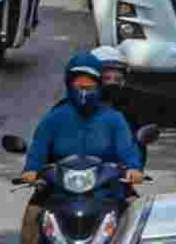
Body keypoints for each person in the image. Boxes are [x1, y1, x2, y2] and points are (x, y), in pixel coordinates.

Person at [17, 52, 144, 244]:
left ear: (99, 85)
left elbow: (127, 149)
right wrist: (31, 169)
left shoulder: (114, 119)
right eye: (79, 84)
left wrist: (134, 168)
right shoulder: (54, 118)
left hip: (107, 189)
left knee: (137, 215)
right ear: (69, 84)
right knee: (32, 216)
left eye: (90, 84)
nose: (85, 89)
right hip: (59, 190)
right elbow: (39, 147)